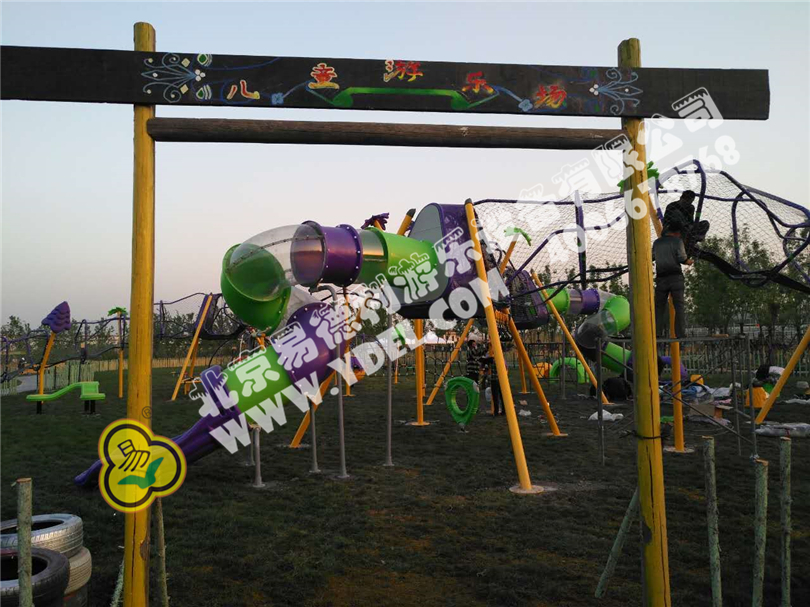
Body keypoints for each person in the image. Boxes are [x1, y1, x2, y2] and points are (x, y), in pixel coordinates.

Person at [652, 228, 693, 338]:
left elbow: (652, 257)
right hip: (675, 277)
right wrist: (689, 261)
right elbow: (682, 258)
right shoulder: (677, 241)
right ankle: (680, 333)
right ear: (675, 232)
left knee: (659, 307)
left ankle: (656, 333)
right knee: (679, 306)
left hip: (661, 278)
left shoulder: (657, 243)